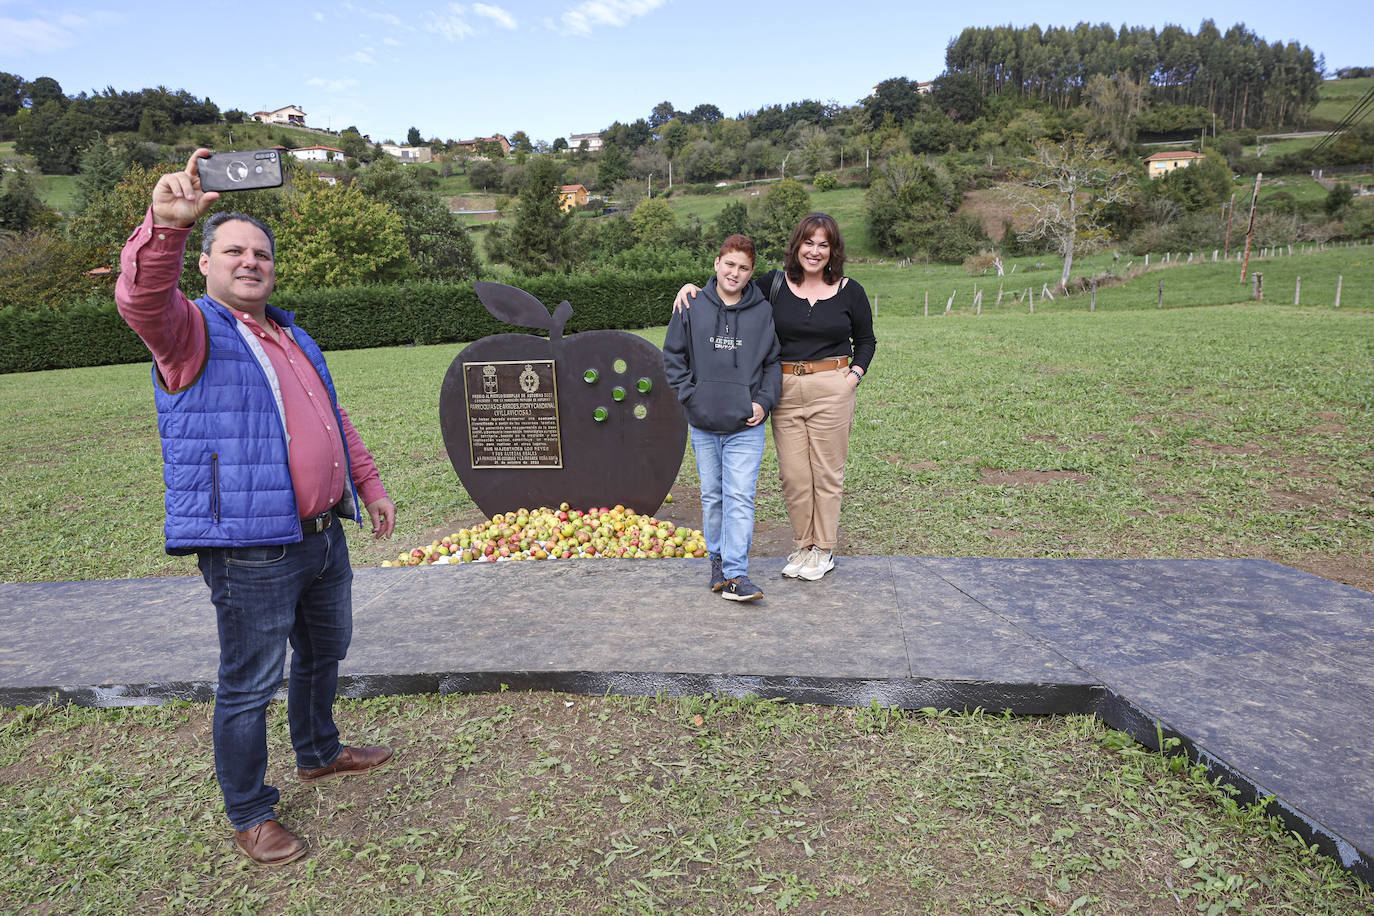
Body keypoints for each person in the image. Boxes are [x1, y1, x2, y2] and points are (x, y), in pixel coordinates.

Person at [116, 149, 398, 867]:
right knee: (248, 685)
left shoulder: (292, 332)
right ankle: (249, 813)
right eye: (234, 250)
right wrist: (165, 226)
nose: (250, 261)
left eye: (262, 253)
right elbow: (141, 298)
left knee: (323, 653)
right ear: (205, 263)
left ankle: (319, 751)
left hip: (320, 535)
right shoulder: (190, 332)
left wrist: (367, 485)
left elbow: (332, 417)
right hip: (250, 545)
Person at [676, 213, 876, 581]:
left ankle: (824, 549)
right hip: (785, 388)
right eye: (808, 243)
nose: (814, 251)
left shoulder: (850, 290)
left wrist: (853, 377)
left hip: (832, 384)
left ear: (833, 251)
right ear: (796, 246)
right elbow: (730, 285)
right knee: (795, 475)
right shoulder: (775, 285)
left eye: (823, 245)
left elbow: (866, 340)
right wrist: (691, 288)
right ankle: (803, 546)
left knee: (827, 473)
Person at [663, 235, 781, 601]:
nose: (735, 273)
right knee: (712, 497)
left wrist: (763, 401)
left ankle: (735, 574)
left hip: (746, 424)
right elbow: (673, 357)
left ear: (751, 273)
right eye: (729, 264)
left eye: (744, 268)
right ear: (716, 263)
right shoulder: (691, 304)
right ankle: (716, 560)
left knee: (740, 496)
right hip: (703, 422)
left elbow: (773, 362)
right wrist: (690, 396)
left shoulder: (762, 312)